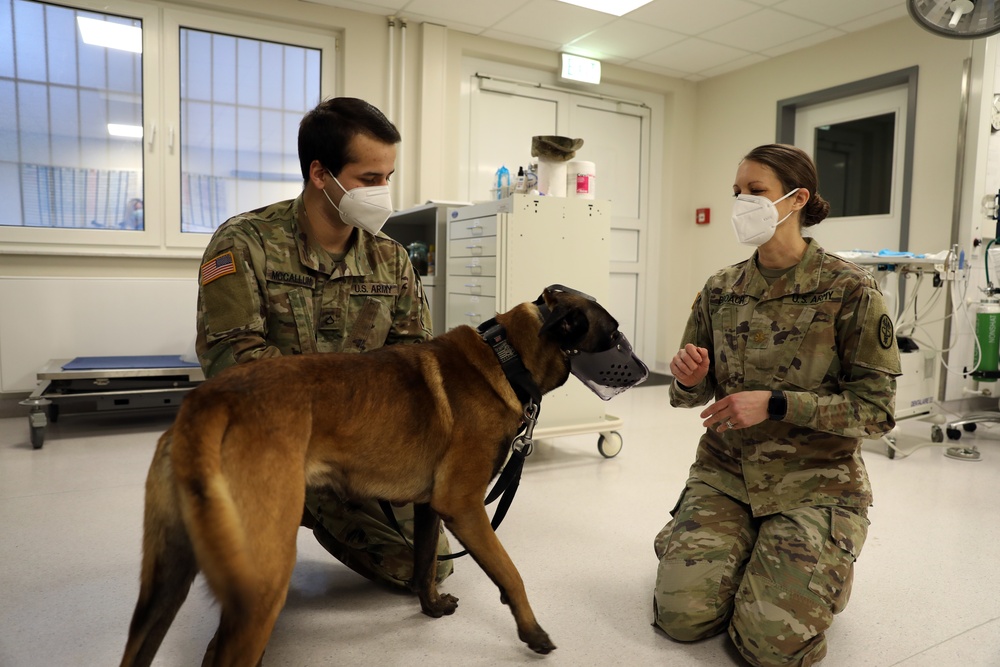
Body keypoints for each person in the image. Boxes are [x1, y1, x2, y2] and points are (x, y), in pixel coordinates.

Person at [652, 144, 900, 666]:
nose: (742, 202)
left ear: (797, 199)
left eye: (756, 191)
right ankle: (721, 546)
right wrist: (689, 378)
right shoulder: (720, 289)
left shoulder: (850, 290)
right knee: (681, 620)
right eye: (737, 192)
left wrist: (780, 405)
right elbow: (685, 395)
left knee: (771, 650)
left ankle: (821, 563)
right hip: (726, 473)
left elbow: (876, 412)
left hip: (815, 482)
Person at [194, 96, 453, 590]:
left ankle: (320, 508)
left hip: (359, 443)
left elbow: (415, 360)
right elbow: (234, 364)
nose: (383, 193)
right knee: (250, 581)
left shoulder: (391, 258)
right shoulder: (244, 241)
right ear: (320, 174)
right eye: (369, 179)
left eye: (388, 178)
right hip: (270, 438)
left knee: (424, 566)